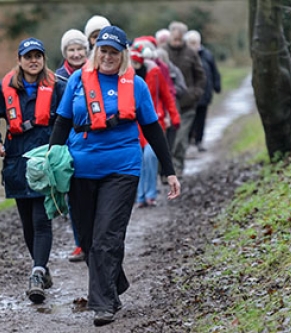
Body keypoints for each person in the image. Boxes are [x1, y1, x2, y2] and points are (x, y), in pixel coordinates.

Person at [49, 26, 181, 326]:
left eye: (114, 52)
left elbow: (153, 130)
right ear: (96, 52)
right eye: (103, 51)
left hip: (122, 168)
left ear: (123, 55)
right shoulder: (76, 81)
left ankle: (102, 304)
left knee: (107, 235)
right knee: (87, 238)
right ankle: (114, 284)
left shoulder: (135, 86)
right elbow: (62, 121)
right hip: (81, 168)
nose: (108, 57)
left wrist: (169, 172)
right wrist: (50, 159)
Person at [0, 37, 66, 304]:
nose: (33, 60)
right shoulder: (2, 89)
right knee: (27, 222)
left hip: (45, 160)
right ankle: (41, 268)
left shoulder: (57, 87)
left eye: (38, 56)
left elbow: (70, 118)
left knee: (41, 219)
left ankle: (37, 273)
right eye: (28, 56)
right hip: (16, 162)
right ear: (19, 60)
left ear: (43, 59)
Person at [130, 40, 180, 208]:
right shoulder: (126, 77)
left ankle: (150, 194)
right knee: (139, 159)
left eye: (137, 62)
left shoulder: (155, 73)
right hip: (135, 126)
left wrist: (174, 116)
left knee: (150, 157)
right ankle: (140, 196)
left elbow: (166, 96)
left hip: (155, 121)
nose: (135, 65)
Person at [55, 28, 89, 262]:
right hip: (66, 141)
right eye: (71, 49)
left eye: (80, 49)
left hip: (90, 141)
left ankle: (94, 240)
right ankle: (80, 243)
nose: (76, 54)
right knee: (72, 196)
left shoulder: (97, 72)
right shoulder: (56, 78)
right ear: (65, 52)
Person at [163, 21, 206, 176]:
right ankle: (166, 171)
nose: (177, 42)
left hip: (187, 104)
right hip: (167, 105)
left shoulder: (191, 53)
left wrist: (195, 93)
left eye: (179, 39)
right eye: (174, 39)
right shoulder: (162, 52)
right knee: (168, 140)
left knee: (181, 139)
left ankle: (178, 167)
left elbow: (200, 76)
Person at [184, 30, 222, 152]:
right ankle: (188, 140)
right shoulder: (185, 55)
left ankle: (199, 141)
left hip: (205, 93)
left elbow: (214, 71)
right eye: (191, 43)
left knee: (201, 118)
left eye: (195, 43)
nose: (193, 45)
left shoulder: (207, 55)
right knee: (190, 118)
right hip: (189, 94)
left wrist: (217, 86)